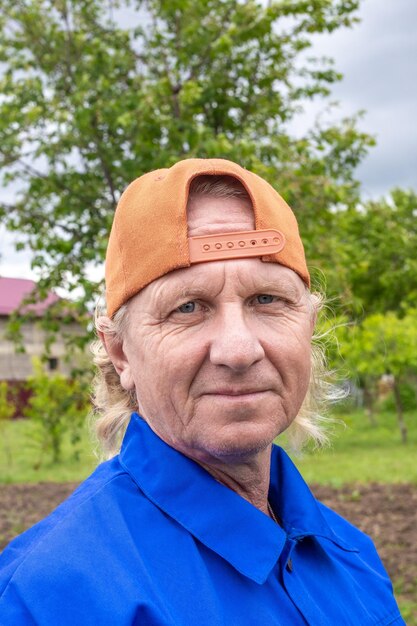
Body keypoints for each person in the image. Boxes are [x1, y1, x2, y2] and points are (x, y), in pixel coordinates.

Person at [0, 158, 404, 625]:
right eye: (187, 307)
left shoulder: (352, 557)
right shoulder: (46, 599)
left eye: (267, 300)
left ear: (308, 328)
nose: (239, 349)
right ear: (120, 353)